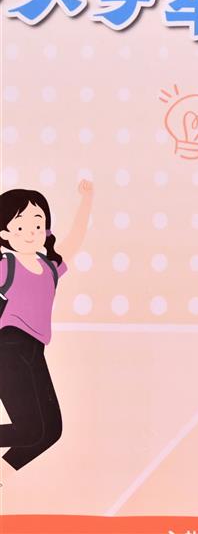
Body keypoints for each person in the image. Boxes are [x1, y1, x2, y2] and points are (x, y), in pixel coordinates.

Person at [0, 181, 94, 470]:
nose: (30, 232)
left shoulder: (50, 267)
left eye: (37, 225)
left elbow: (75, 239)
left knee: (50, 431)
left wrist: (87, 200)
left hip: (34, 350)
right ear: (4, 233)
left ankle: (4, 475)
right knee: (29, 430)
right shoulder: (5, 265)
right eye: (20, 226)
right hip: (8, 350)